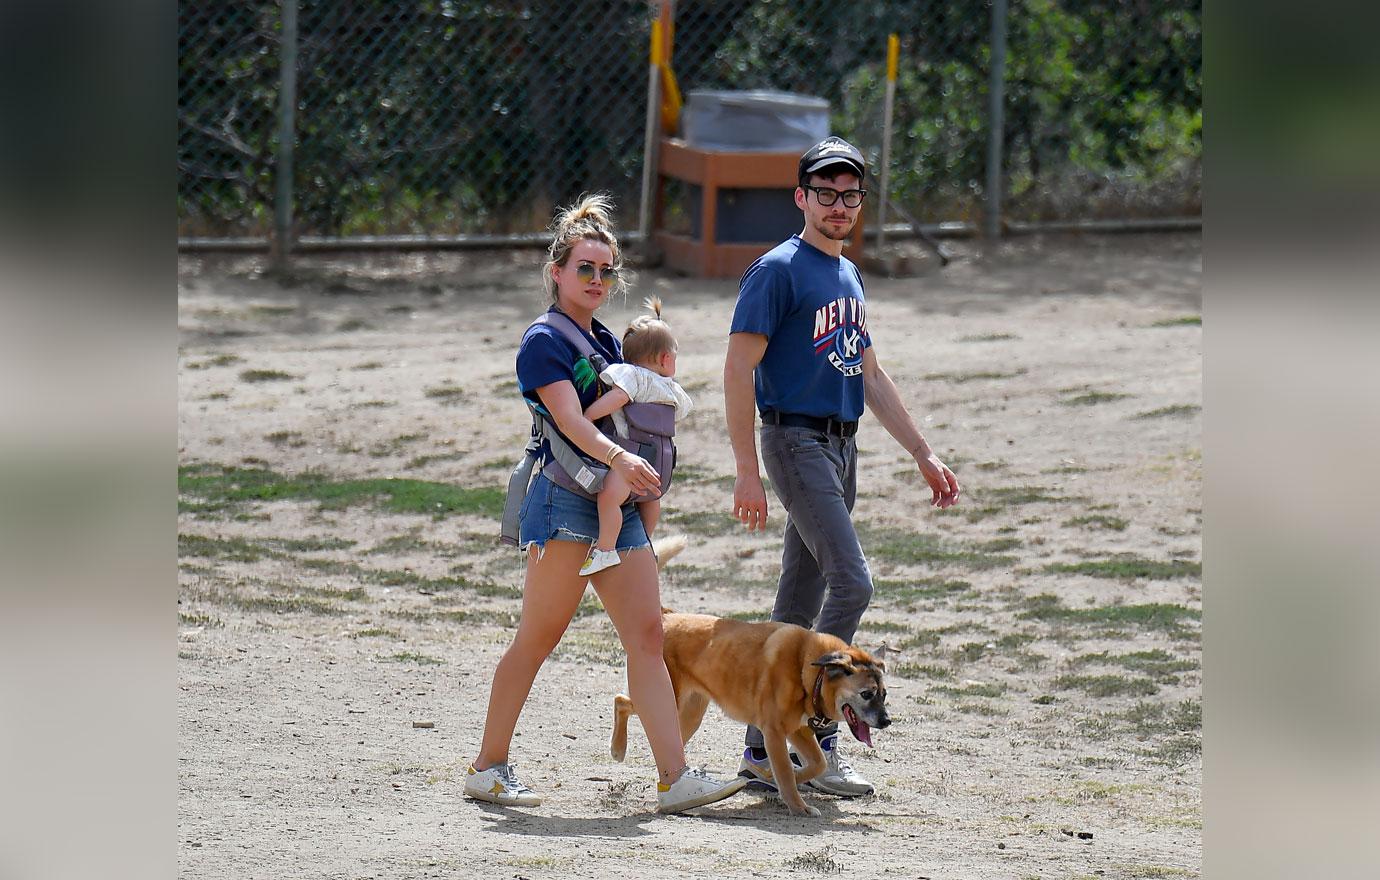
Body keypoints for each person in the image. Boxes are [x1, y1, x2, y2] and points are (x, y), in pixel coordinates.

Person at [465, 194, 745, 814]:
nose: (596, 280)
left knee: (648, 634)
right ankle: (488, 767)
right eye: (584, 268)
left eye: (606, 271)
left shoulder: (609, 341)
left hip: (612, 505)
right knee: (537, 639)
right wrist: (622, 460)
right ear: (558, 271)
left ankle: (675, 775)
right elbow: (570, 422)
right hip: (564, 503)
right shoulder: (544, 340)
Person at [723, 137, 961, 798]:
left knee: (800, 601)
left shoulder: (848, 274)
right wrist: (747, 467)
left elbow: (871, 374)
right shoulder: (779, 270)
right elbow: (739, 367)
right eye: (824, 193)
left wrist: (923, 452)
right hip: (794, 442)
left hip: (839, 446)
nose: (837, 205)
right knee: (852, 583)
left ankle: (764, 753)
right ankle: (815, 735)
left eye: (849, 195)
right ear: (801, 197)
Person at [579, 296, 693, 577]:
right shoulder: (670, 388)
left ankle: (605, 549)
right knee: (650, 501)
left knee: (608, 499)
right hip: (661, 467)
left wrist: (587, 417)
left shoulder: (631, 375)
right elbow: (681, 412)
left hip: (631, 461)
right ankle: (645, 543)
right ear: (666, 359)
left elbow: (619, 397)